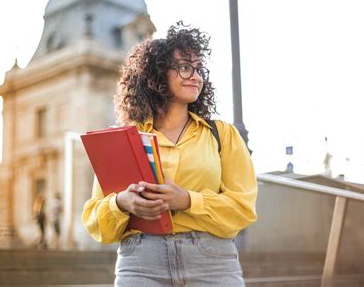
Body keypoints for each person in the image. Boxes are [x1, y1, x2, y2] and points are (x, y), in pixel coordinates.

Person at [81, 22, 258, 286]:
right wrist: (122, 203)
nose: (196, 76)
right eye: (185, 67)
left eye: (199, 69)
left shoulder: (223, 135)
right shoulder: (124, 140)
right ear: (156, 74)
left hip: (212, 262)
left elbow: (243, 209)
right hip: (140, 262)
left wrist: (187, 200)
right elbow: (96, 221)